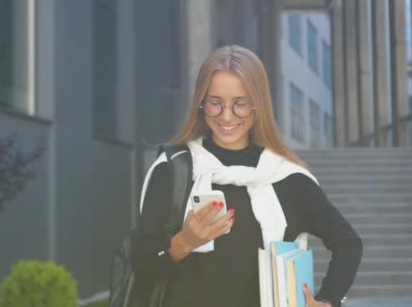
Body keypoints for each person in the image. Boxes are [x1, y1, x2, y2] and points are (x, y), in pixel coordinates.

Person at [132, 45, 362, 307]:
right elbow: (143, 266)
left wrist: (328, 300)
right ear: (201, 103)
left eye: (240, 103)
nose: (226, 116)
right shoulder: (174, 170)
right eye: (215, 102)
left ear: (258, 105)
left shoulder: (286, 177)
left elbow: (348, 244)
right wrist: (185, 242)